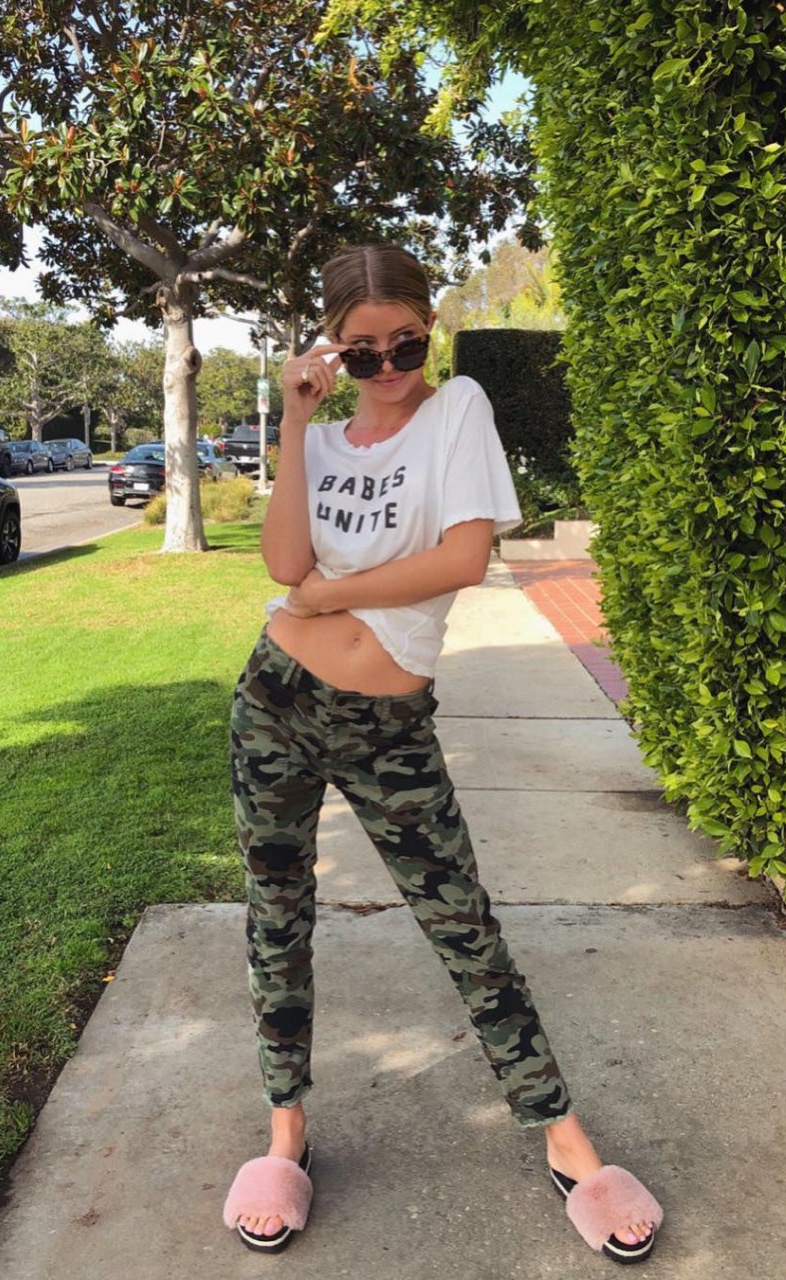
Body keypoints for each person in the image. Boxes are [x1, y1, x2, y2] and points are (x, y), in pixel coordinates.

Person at [221, 243, 663, 1263]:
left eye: (406, 343)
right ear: (333, 348)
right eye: (361, 350)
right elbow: (283, 562)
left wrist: (329, 595)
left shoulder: (459, 409)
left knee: (463, 926)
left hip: (388, 725)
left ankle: (566, 1140)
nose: (387, 366)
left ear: (431, 330)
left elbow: (463, 557)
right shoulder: (322, 440)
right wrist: (292, 419)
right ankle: (285, 1133)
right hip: (274, 703)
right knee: (276, 917)